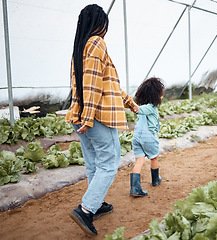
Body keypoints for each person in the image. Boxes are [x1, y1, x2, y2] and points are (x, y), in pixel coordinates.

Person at [65, 4, 138, 236]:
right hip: (95, 117)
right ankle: (86, 209)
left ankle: (96, 203)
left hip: (82, 115)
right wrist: (88, 118)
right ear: (99, 23)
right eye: (104, 23)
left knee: (94, 163)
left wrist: (130, 102)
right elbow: (93, 85)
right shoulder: (97, 43)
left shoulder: (80, 47)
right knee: (109, 162)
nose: (106, 28)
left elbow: (109, 85)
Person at [130, 77, 165, 197]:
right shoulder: (151, 107)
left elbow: (140, 110)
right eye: (161, 94)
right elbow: (140, 110)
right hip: (148, 137)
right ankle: (155, 180)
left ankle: (135, 188)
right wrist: (135, 108)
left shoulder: (145, 107)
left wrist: (133, 106)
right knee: (154, 158)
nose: (162, 96)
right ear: (156, 95)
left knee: (139, 160)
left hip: (136, 138)